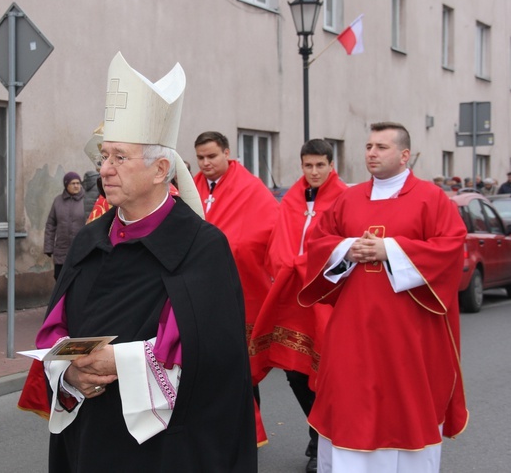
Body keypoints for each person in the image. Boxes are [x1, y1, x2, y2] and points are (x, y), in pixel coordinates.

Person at [35, 52, 256, 471]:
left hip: (163, 451)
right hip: (88, 433)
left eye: (120, 157)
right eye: (103, 156)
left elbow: (205, 358)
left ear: (160, 170)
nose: (105, 170)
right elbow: (55, 330)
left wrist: (117, 361)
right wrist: (68, 375)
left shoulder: (201, 247)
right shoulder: (88, 241)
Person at [298, 122, 468, 473]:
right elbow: (318, 242)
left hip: (409, 330)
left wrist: (390, 249)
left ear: (405, 155)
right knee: (350, 402)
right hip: (354, 328)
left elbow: (450, 250)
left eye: (381, 147)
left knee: (406, 403)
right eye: (369, 146)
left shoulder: (431, 198)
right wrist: (347, 248)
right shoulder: (348, 198)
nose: (371, 153)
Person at [249, 139, 348, 473]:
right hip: (292, 300)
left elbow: (341, 248)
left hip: (327, 299)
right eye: (309, 166)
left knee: (326, 373)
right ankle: (318, 433)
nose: (315, 171)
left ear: (331, 165)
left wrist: (305, 265)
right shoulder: (292, 198)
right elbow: (278, 243)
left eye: (321, 165)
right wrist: (285, 265)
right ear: (302, 166)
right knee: (295, 371)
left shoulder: (345, 199)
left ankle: (323, 440)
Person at [193, 130, 279, 445]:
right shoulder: (193, 186)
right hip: (200, 293)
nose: (205, 164)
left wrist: (231, 246)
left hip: (240, 289)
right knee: (213, 364)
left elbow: (268, 229)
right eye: (201, 158)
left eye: (212, 156)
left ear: (228, 153)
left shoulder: (251, 188)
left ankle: (248, 430)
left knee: (243, 364)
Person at [44, 172, 86, 280]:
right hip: (62, 250)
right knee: (60, 278)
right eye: (73, 183)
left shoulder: (86, 200)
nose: (76, 186)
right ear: (66, 185)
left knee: (78, 280)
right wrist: (49, 247)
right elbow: (51, 225)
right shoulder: (58, 201)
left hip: (81, 249)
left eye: (78, 183)